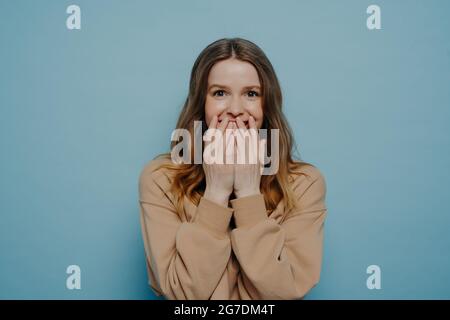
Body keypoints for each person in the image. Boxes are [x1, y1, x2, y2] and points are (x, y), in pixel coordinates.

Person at [138, 38, 327, 300]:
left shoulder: (305, 183)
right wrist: (216, 192)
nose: (236, 110)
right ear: (201, 104)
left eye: (251, 94)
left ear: (267, 103)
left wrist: (249, 193)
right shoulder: (160, 179)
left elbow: (284, 293)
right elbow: (182, 296)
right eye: (219, 93)